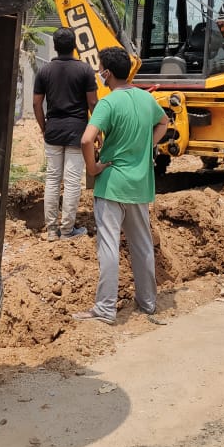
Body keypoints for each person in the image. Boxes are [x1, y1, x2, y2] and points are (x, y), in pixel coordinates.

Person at [73, 46, 168, 325]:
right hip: (140, 184)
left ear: (107, 73)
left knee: (109, 247)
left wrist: (93, 168)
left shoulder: (108, 103)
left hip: (112, 183)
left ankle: (105, 309)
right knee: (141, 244)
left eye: (101, 68)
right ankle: (148, 302)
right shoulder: (145, 98)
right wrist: (146, 145)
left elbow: (86, 140)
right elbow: (163, 122)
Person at [33, 28, 98, 240]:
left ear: (54, 45)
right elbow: (92, 102)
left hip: (53, 130)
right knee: (71, 181)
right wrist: (96, 129)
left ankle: (51, 230)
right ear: (74, 46)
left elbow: (36, 103)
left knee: (52, 178)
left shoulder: (44, 70)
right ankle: (68, 230)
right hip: (77, 131)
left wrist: (44, 127)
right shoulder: (85, 70)